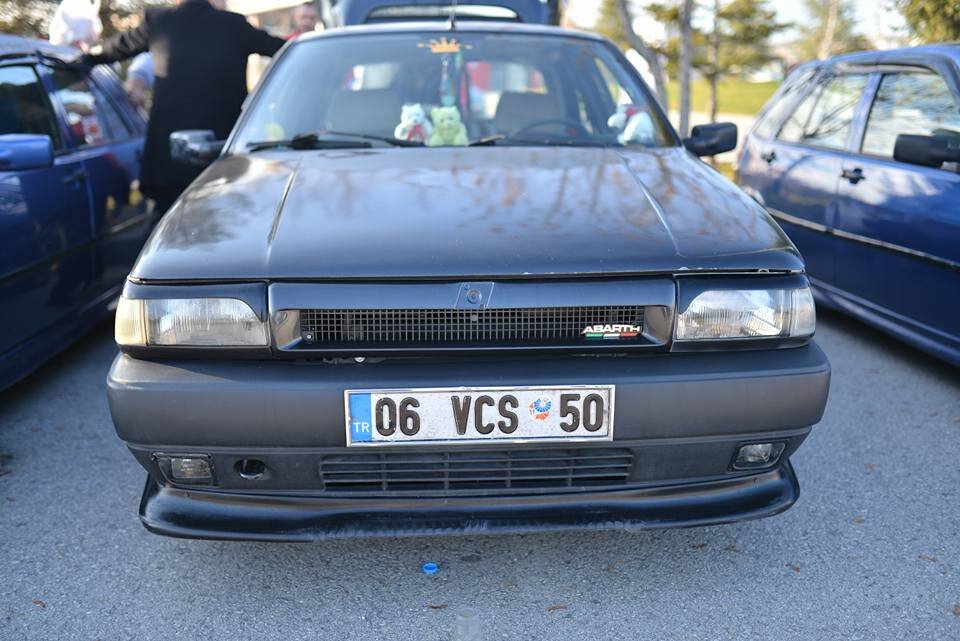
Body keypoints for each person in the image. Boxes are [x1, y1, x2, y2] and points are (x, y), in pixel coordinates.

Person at [81, 0, 285, 214]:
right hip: (224, 158)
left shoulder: (159, 20)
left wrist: (83, 58)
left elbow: (112, 49)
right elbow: (281, 49)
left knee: (169, 223)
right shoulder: (234, 25)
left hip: (169, 163)